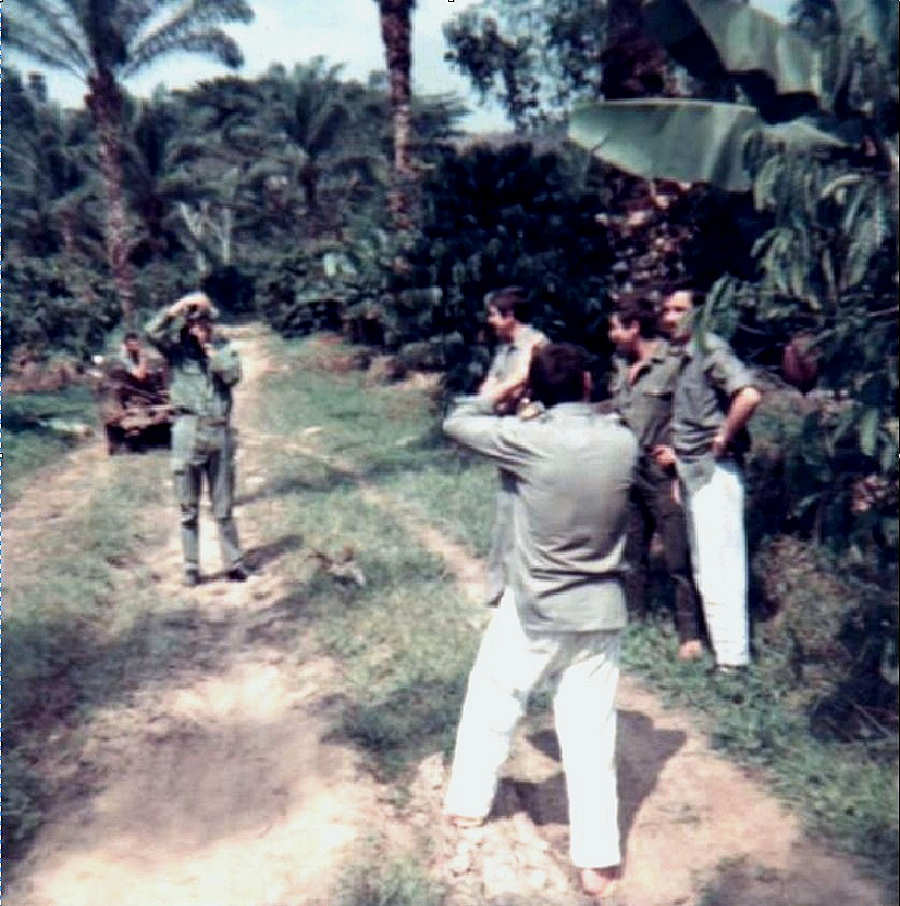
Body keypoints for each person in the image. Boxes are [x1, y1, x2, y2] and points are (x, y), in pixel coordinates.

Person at [443, 343, 637, 899]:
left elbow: (457, 421)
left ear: (533, 387)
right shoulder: (622, 443)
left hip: (537, 606)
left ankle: (468, 805)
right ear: (587, 383)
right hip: (600, 607)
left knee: (494, 701)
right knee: (591, 735)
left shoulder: (529, 441)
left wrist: (502, 391)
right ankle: (598, 861)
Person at [653, 289, 761, 670]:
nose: (670, 317)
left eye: (680, 310)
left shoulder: (710, 348)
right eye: (666, 310)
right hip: (693, 471)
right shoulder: (683, 356)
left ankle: (734, 661)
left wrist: (723, 436)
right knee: (705, 566)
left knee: (722, 566)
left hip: (715, 471)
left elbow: (748, 395)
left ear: (699, 313)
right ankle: (725, 655)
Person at [608, 295, 703, 660]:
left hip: (663, 473)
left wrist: (681, 451)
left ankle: (689, 635)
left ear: (634, 327)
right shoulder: (621, 365)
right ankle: (633, 623)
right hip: (628, 468)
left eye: (616, 328)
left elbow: (695, 410)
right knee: (632, 553)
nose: (611, 335)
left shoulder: (675, 363)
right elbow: (617, 410)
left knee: (678, 556)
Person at [144, 292, 248, 586]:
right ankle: (191, 567)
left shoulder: (225, 349)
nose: (201, 329)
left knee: (223, 506)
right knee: (187, 507)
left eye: (205, 323)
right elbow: (151, 333)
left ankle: (234, 564)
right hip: (187, 428)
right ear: (188, 326)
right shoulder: (177, 353)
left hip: (219, 430)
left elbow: (232, 377)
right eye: (195, 324)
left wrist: (212, 352)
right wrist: (175, 309)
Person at [479, 286, 548, 606]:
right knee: (507, 506)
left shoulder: (536, 344)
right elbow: (492, 385)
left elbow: (520, 380)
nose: (490, 321)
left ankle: (517, 584)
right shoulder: (504, 350)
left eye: (494, 315)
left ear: (510, 315)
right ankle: (500, 584)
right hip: (510, 431)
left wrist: (481, 405)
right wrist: (487, 400)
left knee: (526, 509)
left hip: (532, 433)